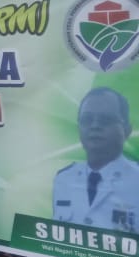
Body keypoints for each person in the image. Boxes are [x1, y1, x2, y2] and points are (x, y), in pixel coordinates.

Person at [53, 87, 139, 233]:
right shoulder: (63, 179)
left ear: (127, 130)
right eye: (87, 119)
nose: (95, 126)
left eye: (106, 120)